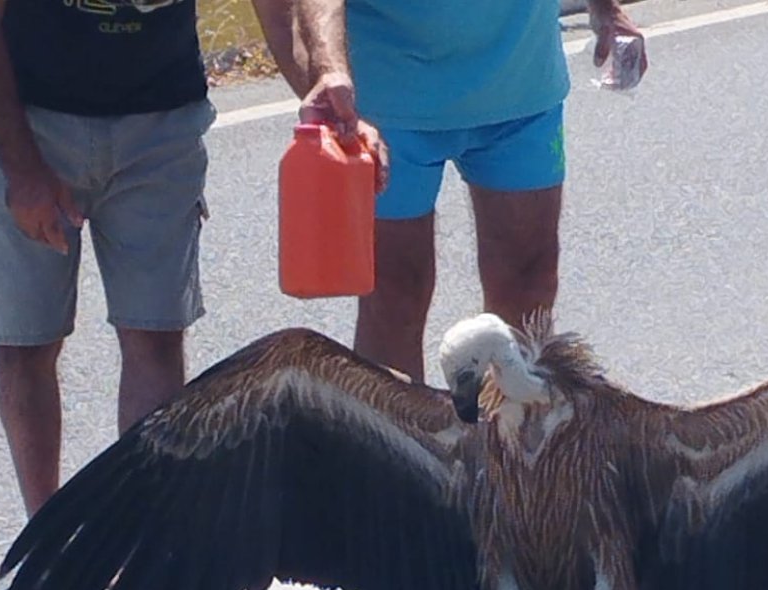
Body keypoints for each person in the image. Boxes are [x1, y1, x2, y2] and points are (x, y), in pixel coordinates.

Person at [0, 0, 248, 590]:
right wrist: (23, 171)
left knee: (156, 335)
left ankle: (147, 557)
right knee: (28, 342)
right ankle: (47, 556)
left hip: (159, 119)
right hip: (28, 113)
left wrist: (319, 85)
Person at [252, 0, 647, 382]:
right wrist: (325, 72)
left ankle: (513, 445)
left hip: (521, 84)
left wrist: (605, 8)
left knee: (531, 283)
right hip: (388, 102)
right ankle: (398, 448)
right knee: (395, 296)